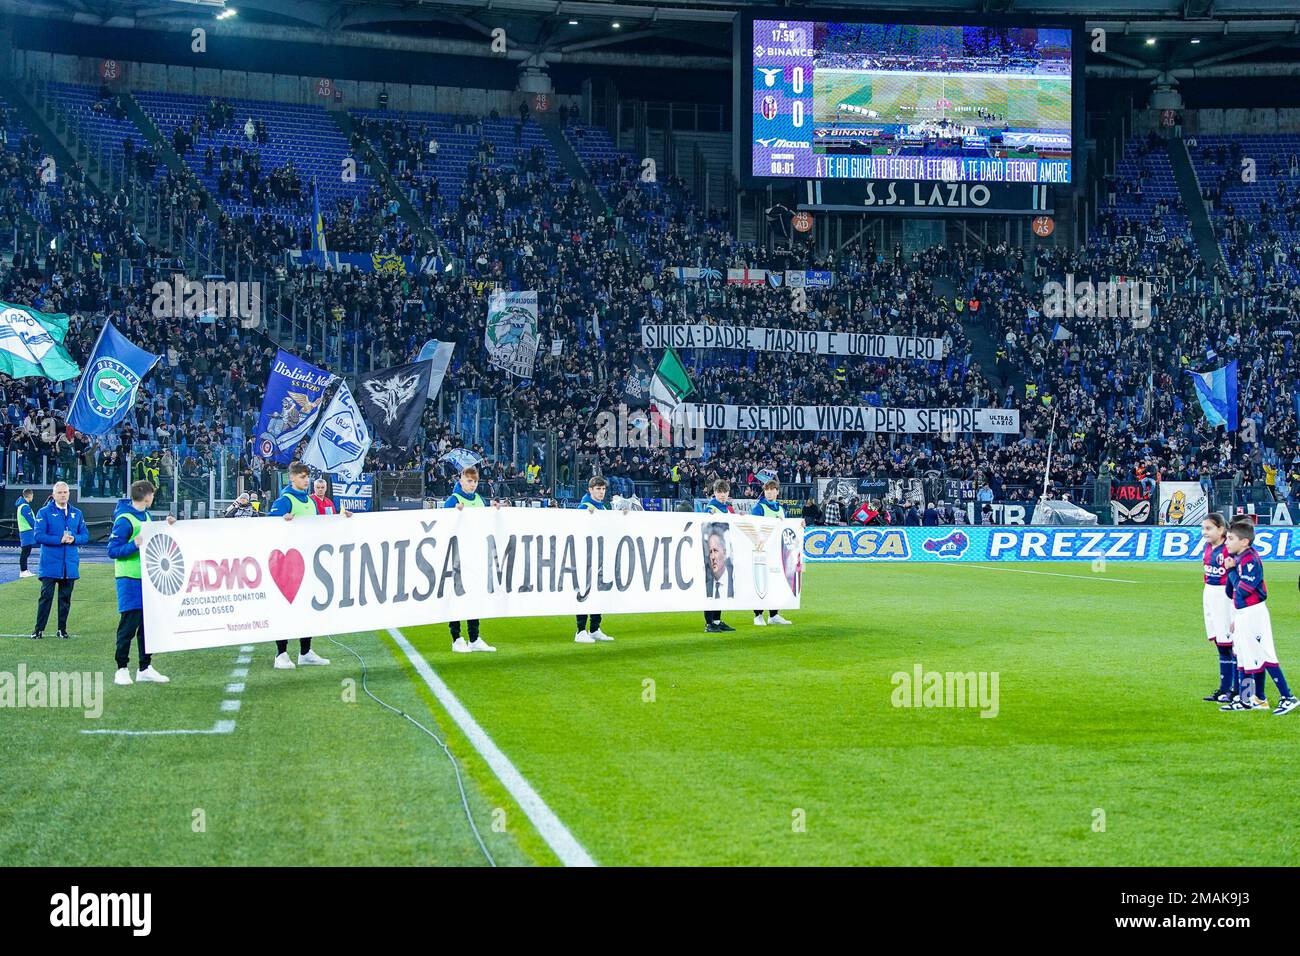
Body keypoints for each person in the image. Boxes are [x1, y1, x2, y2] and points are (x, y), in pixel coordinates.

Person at [267, 462, 346, 669]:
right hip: (287, 565)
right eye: (302, 477)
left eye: (307, 477)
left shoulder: (311, 503)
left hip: (308, 561)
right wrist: (281, 521)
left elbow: (321, 527)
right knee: (286, 608)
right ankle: (281, 654)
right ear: (292, 478)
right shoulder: (285, 500)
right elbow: (267, 527)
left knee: (307, 608)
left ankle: (305, 652)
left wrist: (343, 519)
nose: (306, 480)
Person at [1219, 520, 1298, 715]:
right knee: (1245, 656)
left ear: (1244, 541)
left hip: (1255, 613)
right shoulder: (1238, 558)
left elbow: (1245, 590)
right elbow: (1231, 592)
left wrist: (1230, 571)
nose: (1226, 542)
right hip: (1243, 612)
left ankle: (1288, 697)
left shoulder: (1250, 560)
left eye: (1230, 539)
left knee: (1264, 654)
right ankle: (1249, 699)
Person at [107, 481, 176, 686]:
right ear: (146, 496)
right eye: (152, 494)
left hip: (147, 578)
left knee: (148, 626)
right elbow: (112, 550)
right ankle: (121, 669)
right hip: (129, 579)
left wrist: (167, 525)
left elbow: (150, 537)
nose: (153, 498)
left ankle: (145, 667)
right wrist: (133, 545)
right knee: (128, 625)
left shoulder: (145, 515)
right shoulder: (124, 519)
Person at [444, 465, 498, 653]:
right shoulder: (453, 499)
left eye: (475, 481)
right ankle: (457, 638)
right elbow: (443, 525)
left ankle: (474, 638)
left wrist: (495, 510)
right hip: (457, 556)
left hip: (476, 555)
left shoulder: (480, 500)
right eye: (469, 481)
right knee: (458, 595)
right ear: (461, 481)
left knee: (474, 597)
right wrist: (453, 513)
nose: (473, 484)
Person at [31, 481, 89, 640]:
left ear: (69, 494)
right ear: (54, 494)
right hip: (50, 564)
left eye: (65, 492)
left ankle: (61, 629)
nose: (63, 495)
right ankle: (38, 629)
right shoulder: (44, 512)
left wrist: (74, 538)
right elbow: (38, 536)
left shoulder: (77, 513)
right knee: (46, 598)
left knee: (65, 600)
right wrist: (59, 539)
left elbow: (85, 536)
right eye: (60, 493)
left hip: (69, 565)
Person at [1199, 514, 1236, 703]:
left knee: (1231, 646)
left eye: (1208, 528)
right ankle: (1224, 689)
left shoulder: (1228, 549)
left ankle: (1236, 690)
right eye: (1203, 528)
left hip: (1225, 597)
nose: (1204, 532)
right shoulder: (1208, 547)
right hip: (1210, 594)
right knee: (1220, 645)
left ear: (1221, 530)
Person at [574, 475, 614, 644]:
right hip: (586, 556)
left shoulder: (603, 508)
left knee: (598, 593)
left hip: (600, 555)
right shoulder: (584, 506)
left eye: (603, 489)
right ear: (590, 490)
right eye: (598, 489)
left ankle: (595, 628)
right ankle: (580, 630)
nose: (601, 492)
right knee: (584, 592)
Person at [751, 479, 792, 627]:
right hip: (762, 552)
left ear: (777, 491)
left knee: (776, 583)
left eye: (772, 489)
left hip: (777, 552)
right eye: (766, 489)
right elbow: (753, 528)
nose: (769, 492)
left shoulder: (780, 509)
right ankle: (758, 615)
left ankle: (774, 615)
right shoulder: (759, 507)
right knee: (761, 583)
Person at [703, 480, 735, 633]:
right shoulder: (711, 508)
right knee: (710, 586)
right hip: (712, 553)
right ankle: (709, 623)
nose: (722, 495)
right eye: (719, 492)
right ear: (714, 493)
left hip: (724, 552)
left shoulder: (728, 509)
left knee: (721, 585)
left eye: (725, 492)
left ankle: (717, 620)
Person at [15, 488, 36, 578]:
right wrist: (38, 528)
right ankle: (23, 571)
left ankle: (24, 570)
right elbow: (31, 520)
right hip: (26, 532)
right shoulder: (25, 507)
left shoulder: (23, 506)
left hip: (26, 531)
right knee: (25, 552)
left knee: (26, 552)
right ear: (30, 495)